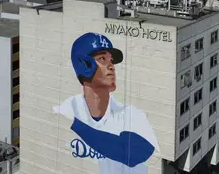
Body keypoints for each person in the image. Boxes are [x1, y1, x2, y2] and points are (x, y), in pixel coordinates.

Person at [53, 32, 159, 174]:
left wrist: (75, 125)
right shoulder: (65, 110)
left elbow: (137, 154)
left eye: (111, 60)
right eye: (103, 58)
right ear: (84, 64)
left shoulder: (132, 114)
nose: (112, 66)